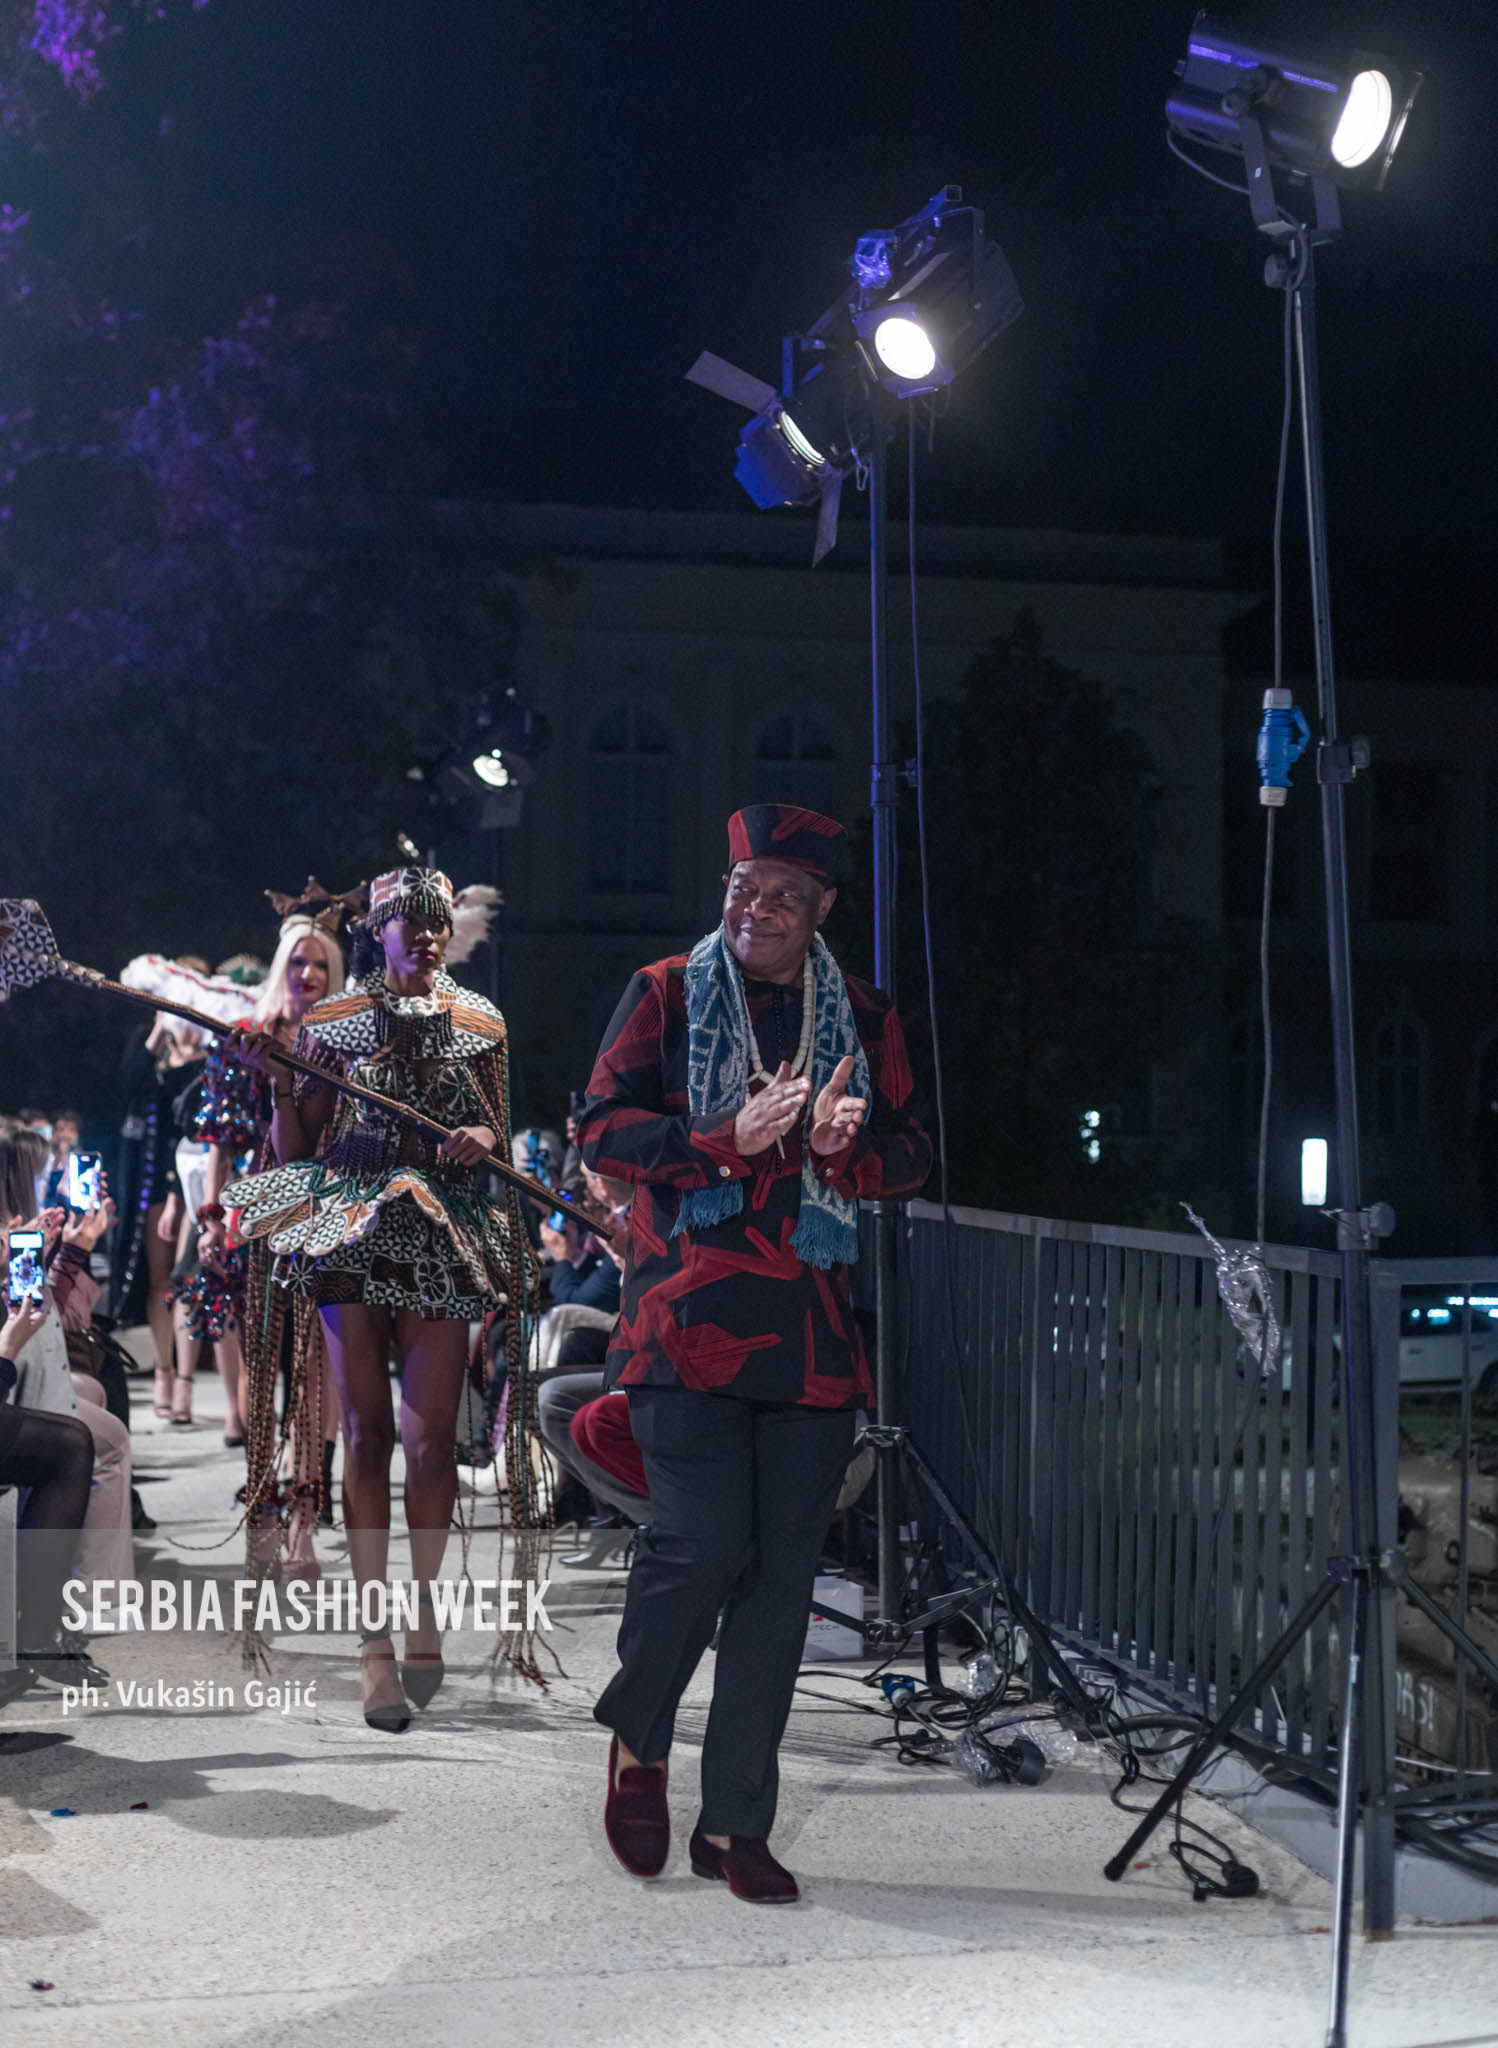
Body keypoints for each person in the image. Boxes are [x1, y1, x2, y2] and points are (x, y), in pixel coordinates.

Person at [578, 802, 932, 1902]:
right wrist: (717, 1140)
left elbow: (913, 1152)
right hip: (680, 1320)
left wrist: (843, 1150)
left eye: (784, 893)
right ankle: (639, 1741)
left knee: (780, 1583)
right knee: (697, 1544)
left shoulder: (864, 1014)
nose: (757, 908)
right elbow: (598, 1128)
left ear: (823, 907)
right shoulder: (665, 991)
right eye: (743, 887)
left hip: (812, 1340)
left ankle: (735, 1825)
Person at [224, 866, 534, 1729]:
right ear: (378, 930)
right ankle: (374, 1644)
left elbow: (500, 1130)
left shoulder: (481, 1021)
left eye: (438, 921)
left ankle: (423, 1611)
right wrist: (279, 1084)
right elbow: (299, 1148)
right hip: (353, 1230)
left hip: (442, 1233)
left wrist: (482, 1134)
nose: (428, 934)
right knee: (364, 1434)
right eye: (410, 921)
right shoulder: (334, 1022)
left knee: (430, 1444)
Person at [195, 906, 349, 1567]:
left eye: (321, 964)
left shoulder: (343, 1043)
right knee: (260, 1373)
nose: (307, 973)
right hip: (253, 1222)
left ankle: (304, 1523)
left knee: (315, 1373)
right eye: (298, 961)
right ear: (280, 967)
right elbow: (221, 1141)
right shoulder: (245, 1039)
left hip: (324, 1216)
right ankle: (262, 1511)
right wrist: (209, 1218)